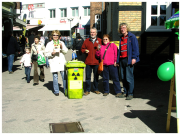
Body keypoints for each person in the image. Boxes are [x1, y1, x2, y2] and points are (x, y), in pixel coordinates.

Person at [116, 23, 140, 100]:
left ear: (127, 28)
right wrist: (118, 61)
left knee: (129, 77)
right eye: (121, 28)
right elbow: (120, 50)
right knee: (123, 77)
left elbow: (136, 49)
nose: (122, 29)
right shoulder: (121, 37)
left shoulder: (132, 37)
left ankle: (130, 93)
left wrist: (134, 58)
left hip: (129, 59)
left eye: (123, 27)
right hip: (122, 59)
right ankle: (125, 92)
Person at [45, 30, 68, 96]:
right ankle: (56, 91)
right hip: (53, 61)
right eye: (54, 35)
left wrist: (62, 47)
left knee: (64, 77)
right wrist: (51, 53)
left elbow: (66, 51)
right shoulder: (49, 44)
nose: (55, 36)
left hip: (61, 61)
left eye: (57, 35)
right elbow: (46, 53)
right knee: (55, 77)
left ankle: (65, 89)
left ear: (59, 36)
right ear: (52, 36)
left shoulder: (61, 43)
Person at [81, 27, 102, 96]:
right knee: (88, 77)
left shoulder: (100, 40)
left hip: (96, 62)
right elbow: (82, 49)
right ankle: (87, 90)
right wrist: (85, 51)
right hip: (88, 62)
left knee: (96, 76)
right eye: (91, 32)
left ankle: (96, 89)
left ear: (96, 33)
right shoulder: (86, 40)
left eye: (93, 32)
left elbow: (103, 49)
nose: (92, 33)